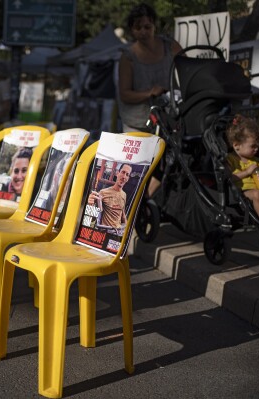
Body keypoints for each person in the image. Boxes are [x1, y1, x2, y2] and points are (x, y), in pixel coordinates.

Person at [117, 3, 181, 197]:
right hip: (137, 121)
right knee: (136, 167)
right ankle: (135, 202)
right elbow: (125, 93)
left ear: (154, 26)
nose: (144, 32)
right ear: (132, 30)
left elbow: (187, 69)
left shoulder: (170, 46)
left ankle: (146, 200)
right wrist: (149, 92)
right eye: (138, 28)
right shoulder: (128, 57)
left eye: (147, 27)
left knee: (168, 161)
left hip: (166, 118)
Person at [88, 163, 132, 234]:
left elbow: (122, 215)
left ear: (128, 179)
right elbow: (93, 216)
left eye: (127, 175)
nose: (124, 176)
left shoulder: (124, 195)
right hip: (106, 231)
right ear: (117, 173)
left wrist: (127, 229)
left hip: (119, 231)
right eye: (123, 172)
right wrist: (90, 204)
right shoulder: (103, 192)